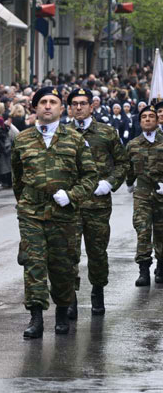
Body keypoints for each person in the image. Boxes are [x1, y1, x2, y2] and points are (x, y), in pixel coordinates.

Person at [11, 86, 97, 339]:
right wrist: (25, 202)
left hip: (64, 214)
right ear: (35, 108)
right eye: (43, 102)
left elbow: (90, 176)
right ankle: (36, 317)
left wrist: (72, 195)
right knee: (34, 263)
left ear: (62, 109)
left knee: (62, 266)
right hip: (31, 213)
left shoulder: (74, 139)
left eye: (53, 102)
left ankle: (61, 311)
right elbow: (17, 178)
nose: (47, 106)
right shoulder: (22, 139)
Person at [67, 88, 128, 318]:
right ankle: (70, 298)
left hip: (98, 205)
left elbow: (123, 163)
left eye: (83, 103)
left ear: (92, 106)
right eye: (75, 104)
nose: (79, 107)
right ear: (70, 108)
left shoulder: (106, 132)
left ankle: (97, 291)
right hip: (71, 205)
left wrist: (110, 183)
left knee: (97, 252)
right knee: (68, 253)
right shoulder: (63, 134)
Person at [125, 106, 163, 287]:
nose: (148, 119)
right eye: (144, 117)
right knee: (143, 231)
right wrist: (129, 183)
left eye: (151, 116)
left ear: (157, 120)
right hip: (142, 196)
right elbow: (128, 168)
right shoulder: (133, 145)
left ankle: (161, 266)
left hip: (161, 196)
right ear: (140, 122)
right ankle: (144, 270)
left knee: (161, 232)